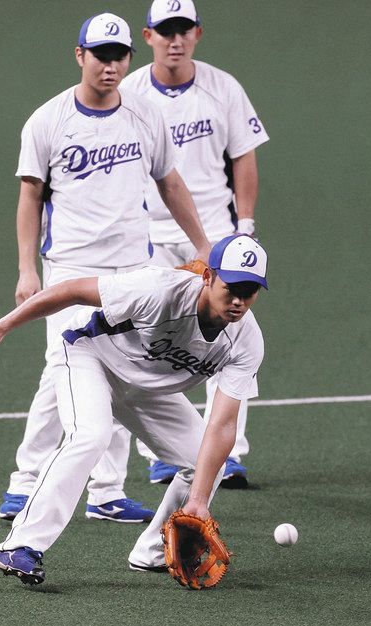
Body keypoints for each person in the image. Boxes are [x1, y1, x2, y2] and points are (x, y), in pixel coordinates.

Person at [0, 12, 211, 525]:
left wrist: (203, 245)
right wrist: (27, 269)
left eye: (119, 57)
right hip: (70, 264)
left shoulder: (143, 116)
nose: (111, 66)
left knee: (120, 368)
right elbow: (31, 197)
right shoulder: (47, 121)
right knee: (67, 369)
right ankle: (26, 483)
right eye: (101, 55)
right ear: (80, 56)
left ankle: (105, 491)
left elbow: (171, 182)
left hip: (132, 266)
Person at [0, 234, 268, 584]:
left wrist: (198, 501)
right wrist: (2, 326)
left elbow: (223, 425)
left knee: (208, 461)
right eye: (231, 288)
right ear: (208, 277)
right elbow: (72, 290)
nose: (239, 301)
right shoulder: (159, 289)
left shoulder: (246, 342)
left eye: (250, 291)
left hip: (145, 386)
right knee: (91, 435)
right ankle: (20, 546)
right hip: (89, 354)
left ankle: (154, 551)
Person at [121, 0, 269, 488]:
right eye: (166, 30)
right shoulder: (130, 92)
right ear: (148, 37)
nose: (175, 39)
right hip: (151, 238)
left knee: (230, 337)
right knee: (152, 339)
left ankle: (227, 454)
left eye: (183, 29)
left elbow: (243, 156)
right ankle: (163, 453)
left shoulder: (223, 87)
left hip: (219, 240)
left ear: (198, 34)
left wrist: (243, 225)